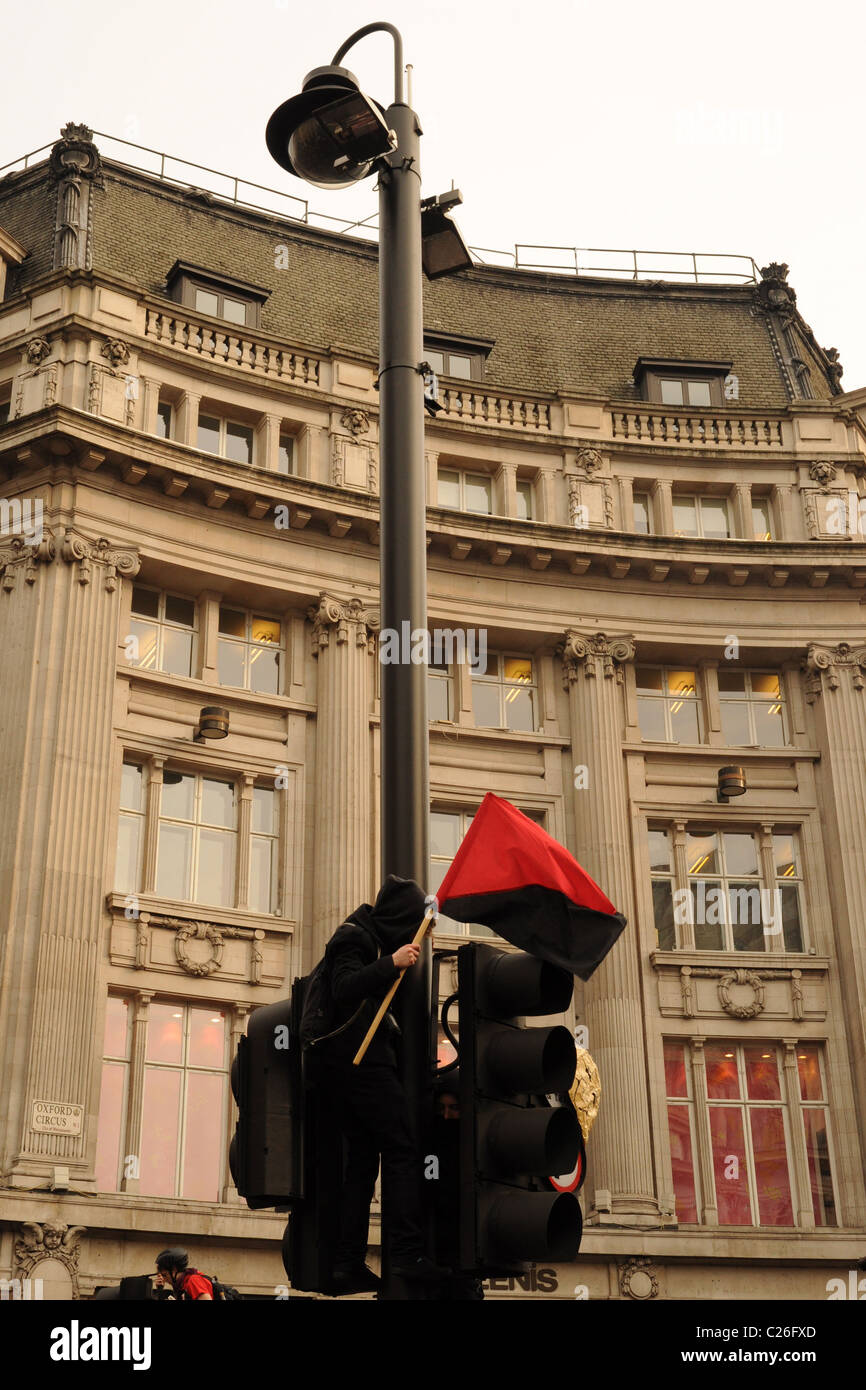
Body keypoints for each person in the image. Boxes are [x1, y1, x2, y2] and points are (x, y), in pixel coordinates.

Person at [317, 875, 443, 1295]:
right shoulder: (354, 937)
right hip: (359, 1063)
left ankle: (347, 1262)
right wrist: (392, 962)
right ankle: (406, 1254)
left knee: (363, 1164)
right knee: (403, 1147)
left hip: (347, 1068)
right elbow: (344, 988)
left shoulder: (365, 935)